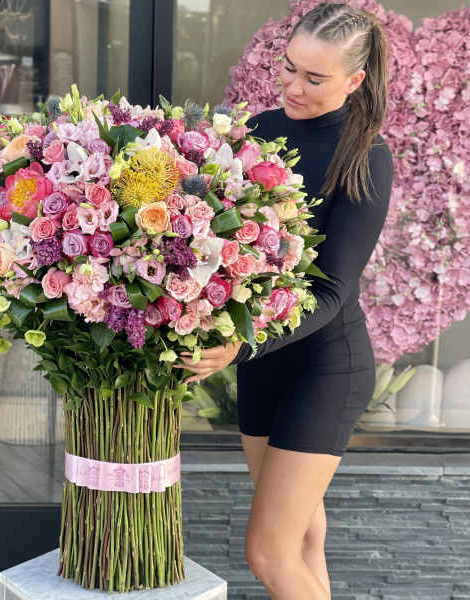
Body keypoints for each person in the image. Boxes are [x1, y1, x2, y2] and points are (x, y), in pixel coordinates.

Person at [177, 3, 393, 599]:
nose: (294, 87)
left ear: (355, 80)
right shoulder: (258, 133)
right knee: (301, 539)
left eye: (315, 78)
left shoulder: (367, 158)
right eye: (290, 68)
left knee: (268, 552)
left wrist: (240, 346)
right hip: (263, 365)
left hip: (325, 367)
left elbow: (332, 290)